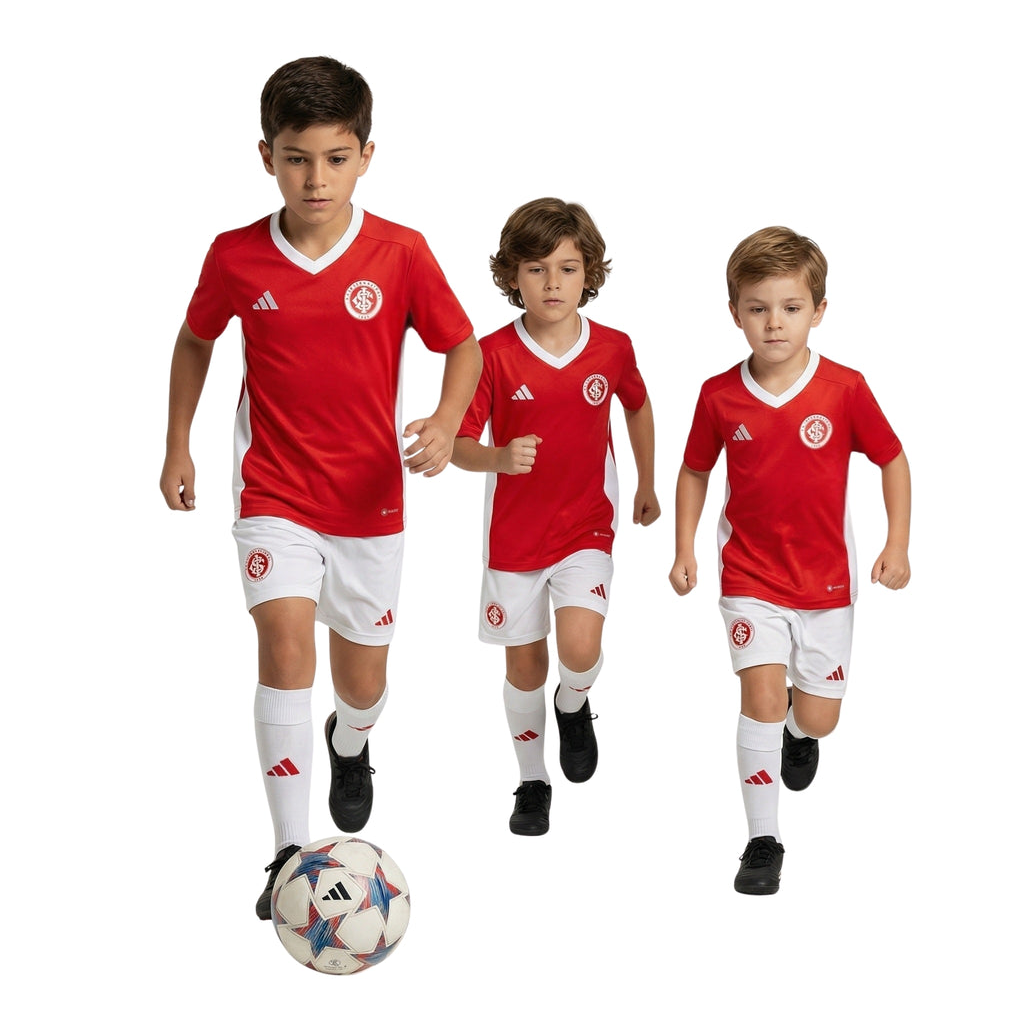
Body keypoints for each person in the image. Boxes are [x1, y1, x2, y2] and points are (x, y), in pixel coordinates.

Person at [159, 57, 481, 919]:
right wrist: (178, 444)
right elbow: (195, 340)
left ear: (366, 156)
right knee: (284, 648)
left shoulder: (400, 252)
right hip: (275, 495)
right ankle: (287, 854)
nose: (316, 179)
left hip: (371, 506)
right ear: (266, 155)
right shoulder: (234, 255)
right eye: (297, 158)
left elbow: (462, 345)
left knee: (362, 681)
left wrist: (447, 419)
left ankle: (351, 739)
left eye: (336, 158)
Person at [669, 225, 911, 894]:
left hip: (826, 585)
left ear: (818, 311)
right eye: (758, 308)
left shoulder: (844, 388)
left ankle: (801, 734)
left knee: (817, 717)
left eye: (791, 307)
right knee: (761, 698)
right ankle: (762, 840)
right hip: (749, 577)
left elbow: (892, 458)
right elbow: (695, 471)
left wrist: (896, 543)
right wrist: (685, 546)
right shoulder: (718, 395)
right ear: (735, 313)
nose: (774, 322)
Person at [453, 198, 660, 836]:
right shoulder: (488, 354)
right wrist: (497, 457)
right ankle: (532, 780)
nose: (552, 283)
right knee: (524, 668)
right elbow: (458, 444)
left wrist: (647, 481)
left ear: (588, 273)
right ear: (512, 274)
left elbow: (637, 405)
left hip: (585, 527)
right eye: (536, 269)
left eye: (567, 269)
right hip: (514, 539)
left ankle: (574, 704)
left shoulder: (613, 348)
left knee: (580, 647)